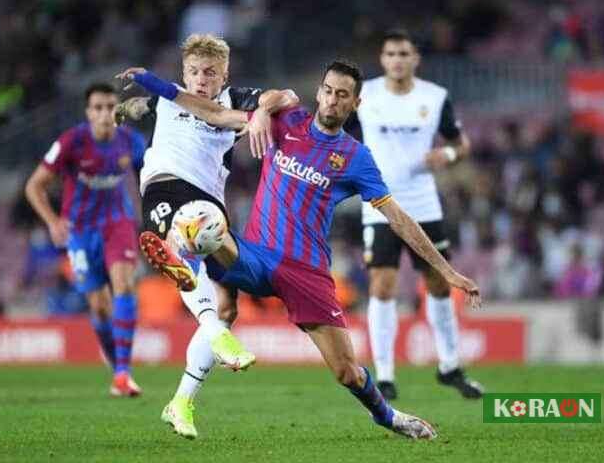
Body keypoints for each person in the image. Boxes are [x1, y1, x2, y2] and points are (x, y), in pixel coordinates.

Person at [127, 59, 482, 440]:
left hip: (306, 272)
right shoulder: (286, 122)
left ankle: (387, 416)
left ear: (355, 104)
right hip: (256, 257)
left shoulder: (355, 158)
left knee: (347, 372)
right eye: (328, 91)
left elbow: (396, 217)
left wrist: (446, 271)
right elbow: (210, 110)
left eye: (342, 95)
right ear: (319, 92)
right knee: (208, 226)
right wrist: (155, 92)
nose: (332, 100)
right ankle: (180, 245)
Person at [114, 33, 298, 438]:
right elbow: (145, 106)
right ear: (184, 73)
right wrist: (131, 104)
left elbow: (287, 96)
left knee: (228, 306)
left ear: (224, 74)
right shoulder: (173, 96)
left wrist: (265, 110)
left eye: (210, 73)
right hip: (164, 188)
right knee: (193, 226)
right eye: (194, 71)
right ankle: (210, 320)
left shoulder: (236, 100)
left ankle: (180, 401)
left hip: (211, 203)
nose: (200, 79)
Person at [346, 29, 483, 400]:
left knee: (439, 283)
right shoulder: (366, 95)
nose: (397, 59)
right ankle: (385, 375)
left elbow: (460, 143)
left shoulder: (434, 97)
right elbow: (338, 132)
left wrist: (448, 156)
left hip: (423, 202)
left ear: (415, 58)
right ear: (382, 58)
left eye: (404, 53)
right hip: (380, 204)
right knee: (382, 286)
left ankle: (450, 366)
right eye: (391, 53)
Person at [25, 82, 145, 397]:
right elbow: (34, 186)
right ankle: (113, 356)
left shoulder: (131, 141)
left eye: (110, 107)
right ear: (88, 112)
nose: (105, 114)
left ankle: (123, 372)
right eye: (98, 107)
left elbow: (150, 177)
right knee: (100, 306)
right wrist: (52, 222)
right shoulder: (72, 142)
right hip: (80, 231)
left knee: (124, 284)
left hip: (118, 223)